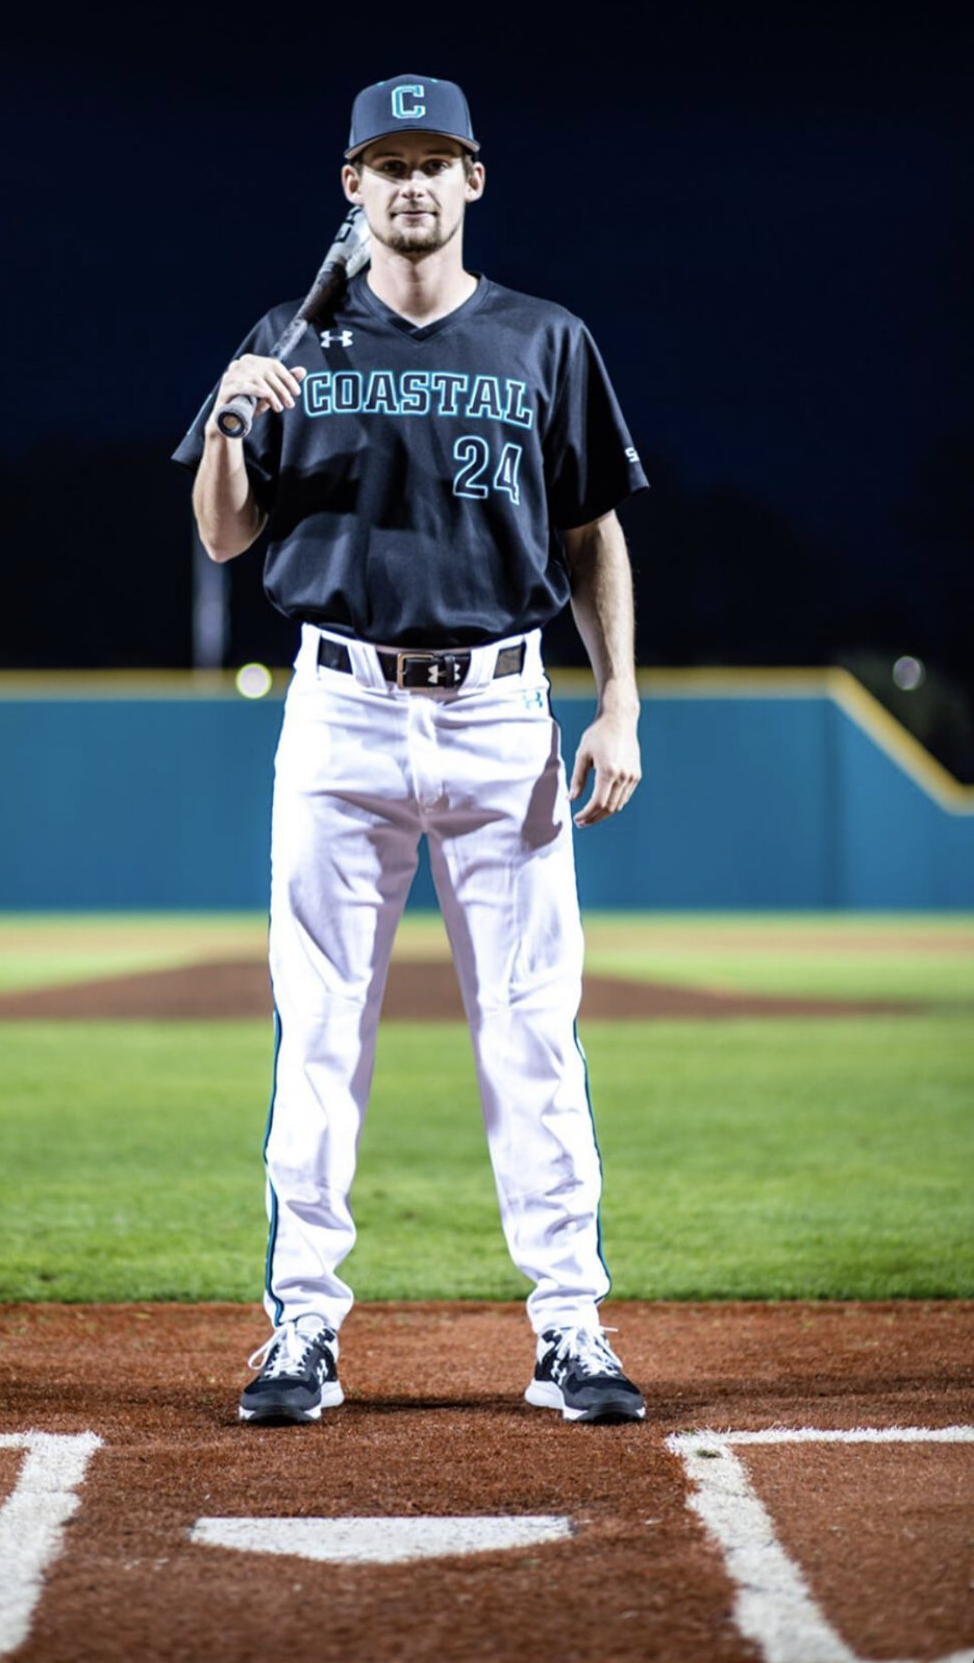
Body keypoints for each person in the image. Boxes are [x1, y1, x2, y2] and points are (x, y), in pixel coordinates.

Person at [176, 74, 649, 1427]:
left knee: (532, 1030)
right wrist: (225, 420)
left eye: (435, 160)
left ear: (474, 180)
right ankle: (301, 1333)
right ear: (352, 188)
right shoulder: (291, 338)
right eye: (388, 163)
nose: (412, 184)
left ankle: (568, 1325)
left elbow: (589, 531)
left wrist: (617, 702)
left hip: (505, 708)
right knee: (320, 1026)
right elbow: (221, 534)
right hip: (339, 708)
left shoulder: (542, 339)